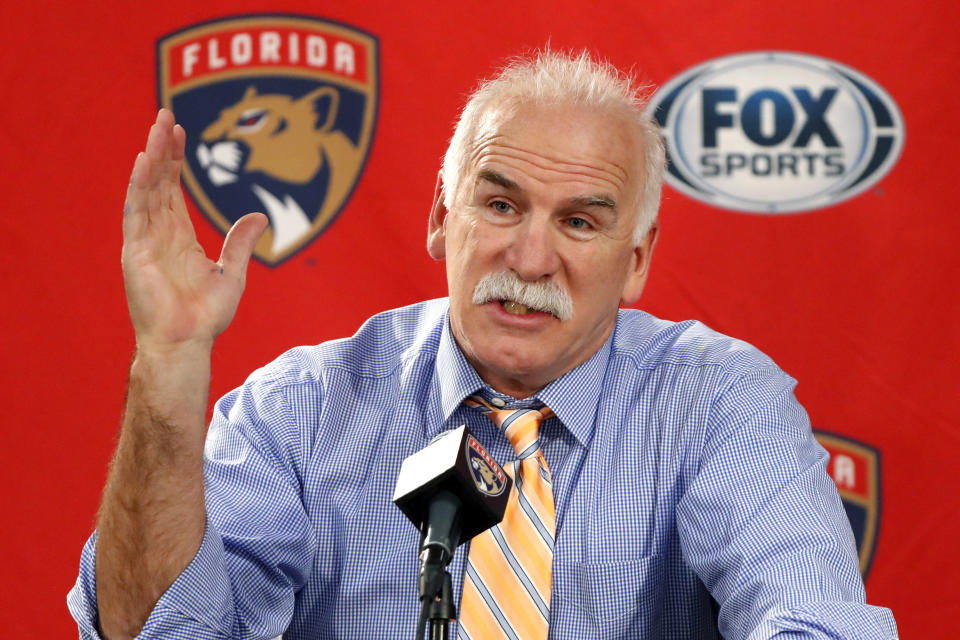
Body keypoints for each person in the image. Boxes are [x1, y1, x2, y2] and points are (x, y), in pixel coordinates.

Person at [69, 51, 898, 639]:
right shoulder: (302, 411)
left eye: (579, 222)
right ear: (441, 219)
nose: (530, 259)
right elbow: (153, 633)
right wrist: (169, 366)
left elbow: (815, 622)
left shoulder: (717, 402)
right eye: (499, 206)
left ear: (636, 261)